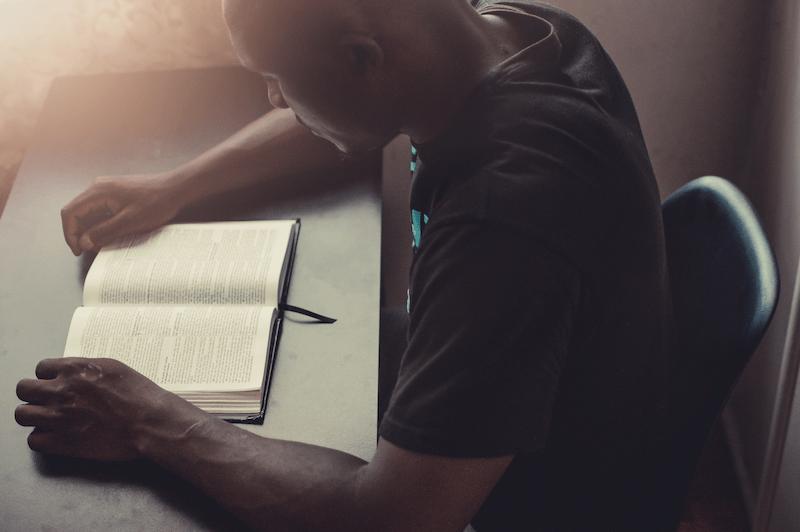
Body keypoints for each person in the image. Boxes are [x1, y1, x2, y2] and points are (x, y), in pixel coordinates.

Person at [15, 1, 673, 530]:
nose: (274, 99)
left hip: (518, 507)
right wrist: (178, 185)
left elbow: (394, 517)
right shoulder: (511, 30)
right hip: (523, 417)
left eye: (276, 77)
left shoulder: (501, 218)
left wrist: (145, 418)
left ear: (360, 57)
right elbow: (334, 105)